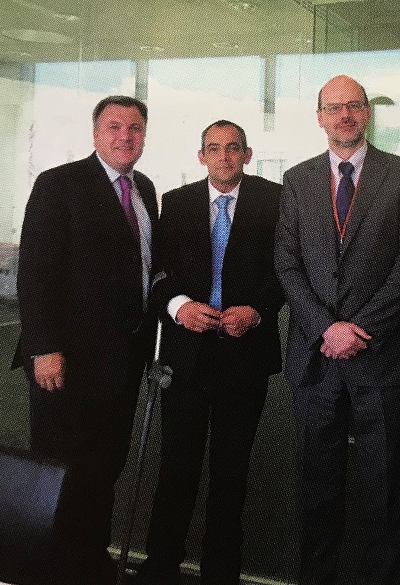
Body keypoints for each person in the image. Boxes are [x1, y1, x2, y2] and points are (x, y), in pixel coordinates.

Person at [274, 75, 400, 585]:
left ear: (367, 113)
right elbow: (287, 263)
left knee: (384, 492)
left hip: (379, 358)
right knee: (316, 491)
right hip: (316, 360)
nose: (345, 116)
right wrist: (325, 328)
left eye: (354, 106)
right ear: (319, 116)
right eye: (334, 108)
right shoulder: (296, 181)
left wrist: (358, 327)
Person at [12, 95, 158, 585]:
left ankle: (90, 566)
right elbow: (35, 272)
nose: (125, 136)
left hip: (122, 365)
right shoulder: (60, 184)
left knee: (103, 473)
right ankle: (51, 571)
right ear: (95, 133)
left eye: (135, 127)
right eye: (114, 126)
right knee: (61, 475)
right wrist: (43, 346)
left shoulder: (146, 190)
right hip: (66, 363)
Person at [135, 120, 283, 585]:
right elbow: (157, 273)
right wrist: (179, 308)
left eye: (233, 149)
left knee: (230, 475)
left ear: (247, 153)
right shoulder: (176, 204)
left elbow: (288, 270)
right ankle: (160, 569)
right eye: (214, 149)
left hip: (245, 357)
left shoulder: (274, 201)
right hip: (187, 357)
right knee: (176, 470)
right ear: (201, 156)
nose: (224, 157)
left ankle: (221, 575)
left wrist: (258, 311)